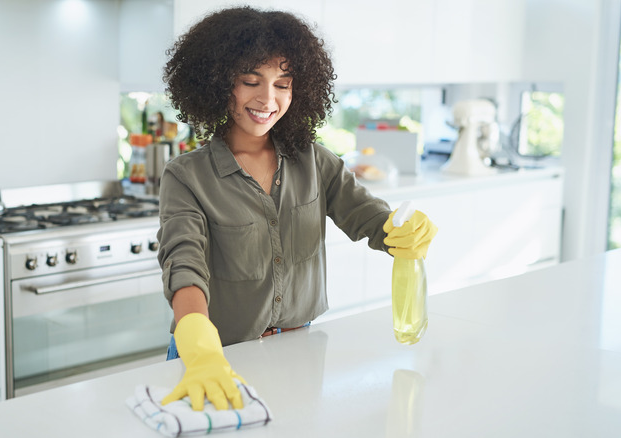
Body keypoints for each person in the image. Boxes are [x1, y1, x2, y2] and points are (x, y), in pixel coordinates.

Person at [156, 6, 437, 412]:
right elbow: (184, 264)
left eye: (282, 84)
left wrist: (404, 229)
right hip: (215, 359)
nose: (267, 99)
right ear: (218, 84)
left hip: (298, 350)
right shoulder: (187, 176)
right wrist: (199, 344)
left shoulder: (314, 161)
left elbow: (371, 220)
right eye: (250, 80)